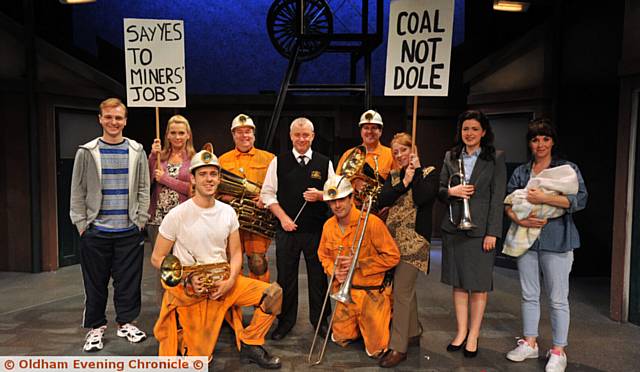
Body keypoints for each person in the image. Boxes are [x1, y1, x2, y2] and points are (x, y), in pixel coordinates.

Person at [151, 147, 283, 369]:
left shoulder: (228, 212)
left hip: (223, 280)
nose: (209, 179)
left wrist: (231, 280)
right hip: (193, 286)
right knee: (198, 360)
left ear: (219, 178)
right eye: (202, 174)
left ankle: (251, 342)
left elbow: (236, 253)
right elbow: (157, 257)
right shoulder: (177, 215)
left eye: (213, 174)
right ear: (192, 178)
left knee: (274, 294)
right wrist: (185, 280)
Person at [504, 118, 587, 372]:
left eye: (545, 139)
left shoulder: (566, 169)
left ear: (552, 141)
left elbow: (580, 200)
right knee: (529, 294)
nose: (540, 144)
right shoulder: (521, 171)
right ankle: (530, 343)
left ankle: (558, 350)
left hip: (558, 240)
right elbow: (508, 203)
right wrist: (521, 218)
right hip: (526, 240)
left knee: (558, 298)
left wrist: (544, 197)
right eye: (535, 139)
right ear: (529, 143)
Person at [69, 97, 150, 352]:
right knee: (95, 282)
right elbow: (77, 190)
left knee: (128, 281)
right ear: (100, 119)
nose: (113, 122)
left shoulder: (137, 151)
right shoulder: (87, 151)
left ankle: (126, 322)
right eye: (109, 117)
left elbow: (143, 188)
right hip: (96, 231)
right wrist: (81, 223)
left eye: (118, 118)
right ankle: (95, 327)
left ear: (125, 121)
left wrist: (140, 219)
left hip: (128, 230)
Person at [438, 110, 506, 358]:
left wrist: (493, 233)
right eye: (466, 129)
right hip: (454, 227)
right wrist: (452, 191)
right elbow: (441, 190)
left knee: (477, 286)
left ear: (484, 132)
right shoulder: (450, 155)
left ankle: (474, 335)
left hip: (480, 232)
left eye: (475, 129)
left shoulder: (495, 158)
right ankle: (460, 332)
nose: (469, 133)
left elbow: (497, 199)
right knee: (458, 283)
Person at [260, 117, 335, 340]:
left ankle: (320, 322)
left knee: (319, 278)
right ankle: (285, 322)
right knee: (286, 278)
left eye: (306, 135)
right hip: (286, 231)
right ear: (291, 136)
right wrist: (282, 218)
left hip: (316, 231)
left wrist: (321, 195)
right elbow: (267, 194)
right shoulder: (278, 161)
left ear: (312, 136)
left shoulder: (324, 162)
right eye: (297, 135)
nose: (301, 139)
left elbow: (335, 193)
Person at [317, 174, 400, 358]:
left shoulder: (372, 223)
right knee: (339, 338)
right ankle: (360, 327)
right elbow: (322, 255)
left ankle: (386, 317)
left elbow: (393, 256)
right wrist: (333, 270)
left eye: (341, 200)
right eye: (332, 202)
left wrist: (359, 264)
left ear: (351, 198)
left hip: (371, 293)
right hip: (345, 293)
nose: (337, 206)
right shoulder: (328, 226)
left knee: (375, 350)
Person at [376, 133, 439, 368]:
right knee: (405, 290)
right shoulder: (394, 177)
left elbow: (424, 198)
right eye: (395, 152)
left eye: (404, 150)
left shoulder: (429, 173)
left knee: (401, 292)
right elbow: (383, 199)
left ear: (413, 149)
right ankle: (412, 332)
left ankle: (398, 347)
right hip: (392, 244)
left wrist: (416, 173)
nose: (400, 155)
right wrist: (404, 182)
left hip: (414, 242)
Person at [219, 114, 276, 282]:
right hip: (230, 223)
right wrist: (226, 198)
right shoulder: (222, 160)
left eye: (248, 132)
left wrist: (265, 197)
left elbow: (276, 187)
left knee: (258, 263)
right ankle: (232, 307)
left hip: (257, 220)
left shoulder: (269, 158)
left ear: (254, 134)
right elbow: (215, 191)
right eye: (240, 132)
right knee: (230, 265)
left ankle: (261, 306)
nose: (244, 135)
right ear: (233, 135)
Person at [147, 114, 196, 249]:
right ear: (167, 135)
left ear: (188, 135)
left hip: (184, 219)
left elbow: (193, 189)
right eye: (173, 133)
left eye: (181, 133)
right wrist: (152, 156)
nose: (177, 137)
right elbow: (147, 181)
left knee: (182, 262)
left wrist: (165, 179)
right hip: (158, 218)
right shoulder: (159, 157)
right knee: (162, 264)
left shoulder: (194, 159)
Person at [336, 110, 396, 193]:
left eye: (374, 128)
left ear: (380, 131)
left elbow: (397, 185)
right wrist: (354, 184)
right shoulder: (348, 154)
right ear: (361, 131)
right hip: (352, 205)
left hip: (382, 205)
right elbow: (338, 184)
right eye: (366, 128)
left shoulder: (391, 155)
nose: (369, 131)